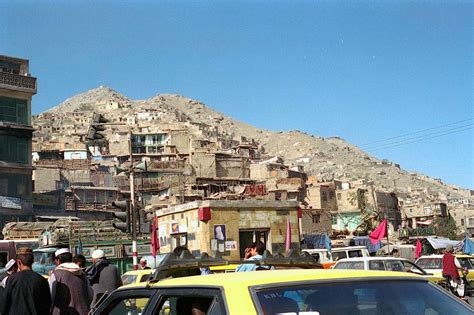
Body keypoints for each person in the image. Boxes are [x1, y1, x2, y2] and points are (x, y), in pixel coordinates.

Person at [0, 247, 52, 314]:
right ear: (32, 261)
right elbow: (47, 305)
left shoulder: (11, 279)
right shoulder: (41, 280)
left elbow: (5, 304)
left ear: (19, 262)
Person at [49, 248, 93, 315]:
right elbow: (90, 295)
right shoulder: (82, 274)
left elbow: (50, 297)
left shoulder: (56, 275)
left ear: (58, 260)